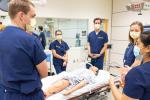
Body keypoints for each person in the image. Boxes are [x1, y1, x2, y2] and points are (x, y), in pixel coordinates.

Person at [0, 0, 48, 100]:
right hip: (28, 95)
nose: (33, 20)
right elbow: (44, 73)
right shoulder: (31, 40)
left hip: (6, 94)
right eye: (32, 16)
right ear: (21, 15)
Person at [109, 31, 150, 100]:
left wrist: (112, 84)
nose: (133, 32)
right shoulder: (130, 45)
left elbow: (138, 60)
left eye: (136, 30)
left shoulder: (138, 72)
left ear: (148, 48)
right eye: (132, 30)